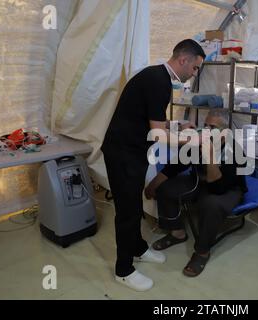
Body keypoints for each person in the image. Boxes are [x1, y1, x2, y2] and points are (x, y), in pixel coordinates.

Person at [101, 39, 205, 291]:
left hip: (132, 151)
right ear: (184, 60)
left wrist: (178, 127)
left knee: (134, 206)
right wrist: (191, 139)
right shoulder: (158, 81)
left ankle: (137, 248)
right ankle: (123, 270)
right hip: (123, 153)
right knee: (127, 212)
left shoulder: (157, 77)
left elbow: (151, 122)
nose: (193, 74)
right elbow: (157, 135)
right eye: (194, 68)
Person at [145, 109, 248, 277]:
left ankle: (202, 251)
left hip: (227, 188)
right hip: (201, 181)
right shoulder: (197, 144)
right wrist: (152, 186)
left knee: (211, 203)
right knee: (165, 188)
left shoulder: (234, 152)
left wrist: (209, 156)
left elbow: (218, 189)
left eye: (212, 127)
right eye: (205, 125)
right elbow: (174, 168)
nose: (206, 130)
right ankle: (177, 232)